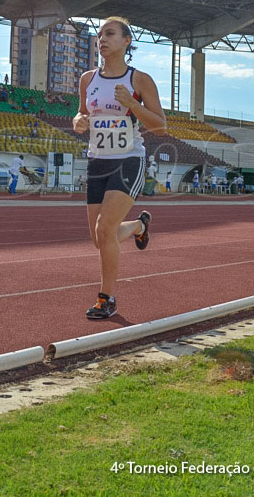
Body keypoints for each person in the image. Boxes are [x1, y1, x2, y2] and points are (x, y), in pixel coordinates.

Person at [72, 16, 165, 319]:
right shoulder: (88, 79)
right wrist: (79, 121)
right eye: (100, 35)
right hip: (97, 160)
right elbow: (81, 113)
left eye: (110, 34)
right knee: (99, 237)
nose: (102, 39)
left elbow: (161, 126)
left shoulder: (139, 80)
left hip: (128, 159)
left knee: (105, 228)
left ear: (126, 41)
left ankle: (106, 298)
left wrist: (134, 105)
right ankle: (139, 226)